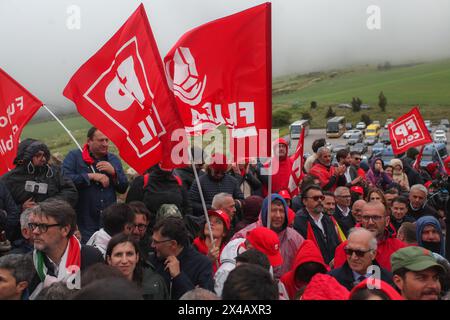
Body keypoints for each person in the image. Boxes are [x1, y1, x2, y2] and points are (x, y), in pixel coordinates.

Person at [27, 199, 104, 299]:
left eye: (42, 226)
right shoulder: (28, 263)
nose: (35, 231)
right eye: (33, 225)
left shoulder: (91, 258)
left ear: (65, 230)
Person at [0, 139, 78, 237]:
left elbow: (71, 192)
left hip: (54, 228)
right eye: (38, 155)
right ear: (26, 157)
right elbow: (4, 211)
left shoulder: (54, 172)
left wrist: (45, 205)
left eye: (44, 155)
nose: (43, 159)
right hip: (23, 235)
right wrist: (21, 208)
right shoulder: (8, 180)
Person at [62, 128, 128, 241]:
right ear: (89, 141)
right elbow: (64, 180)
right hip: (84, 221)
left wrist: (114, 173)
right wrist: (90, 176)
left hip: (109, 223)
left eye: (107, 140)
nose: (105, 144)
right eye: (101, 140)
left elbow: (123, 187)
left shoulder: (112, 159)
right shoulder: (74, 157)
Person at [231, 194, 304, 278]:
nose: (278, 215)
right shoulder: (245, 235)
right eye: (273, 210)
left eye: (281, 211)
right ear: (265, 211)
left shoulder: (295, 238)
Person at [149, 217, 214, 299]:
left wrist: (178, 277)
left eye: (156, 242)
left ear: (173, 244)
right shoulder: (151, 261)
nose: (152, 245)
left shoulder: (201, 265)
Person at [333, 201, 406, 271]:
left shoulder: (400, 249)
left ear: (387, 221)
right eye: (366, 218)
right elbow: (338, 280)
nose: (371, 222)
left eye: (376, 218)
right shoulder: (346, 248)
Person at [214, 226, 283, 297]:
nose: (269, 263)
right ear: (250, 248)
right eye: (267, 256)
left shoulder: (266, 264)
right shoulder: (226, 273)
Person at [105, 233, 168, 300]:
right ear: (109, 260)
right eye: (118, 255)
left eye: (129, 254)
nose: (124, 261)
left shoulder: (156, 284)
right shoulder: (98, 288)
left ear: (137, 257)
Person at [329, 228, 394, 291]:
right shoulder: (332, 280)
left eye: (359, 253)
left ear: (373, 254)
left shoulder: (389, 281)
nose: (354, 257)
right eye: (349, 251)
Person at [293, 185, 341, 265]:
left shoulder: (328, 219)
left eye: (321, 198)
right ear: (305, 201)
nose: (319, 201)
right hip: (313, 266)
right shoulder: (299, 220)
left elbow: (335, 243)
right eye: (315, 198)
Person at [193, 210, 231, 274]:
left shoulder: (228, 254)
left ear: (224, 232)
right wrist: (207, 260)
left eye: (218, 222)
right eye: (209, 220)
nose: (211, 223)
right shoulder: (193, 249)